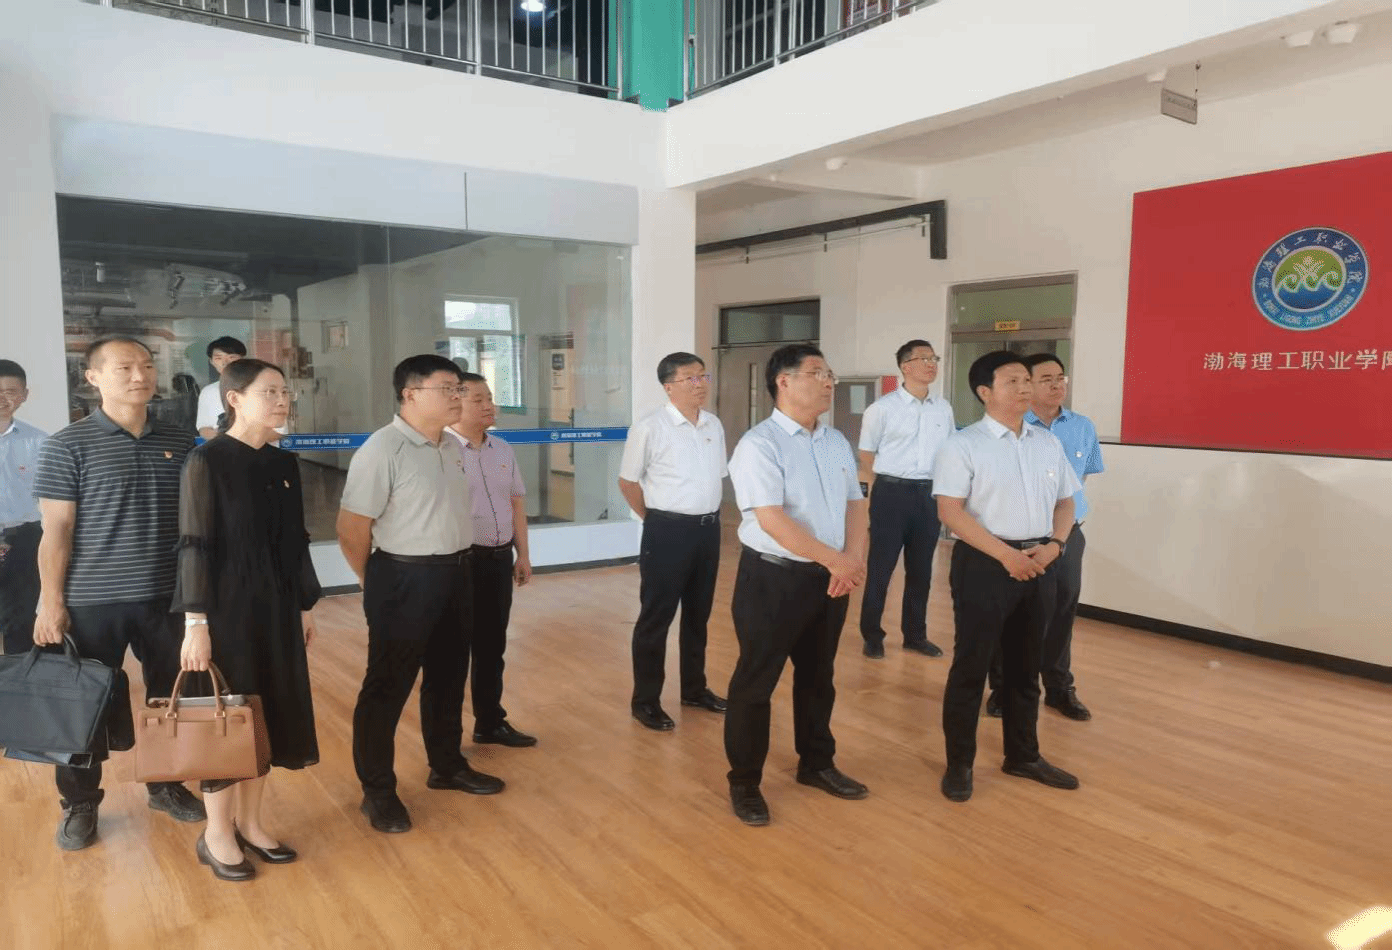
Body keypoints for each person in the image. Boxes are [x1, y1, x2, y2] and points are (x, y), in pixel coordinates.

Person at [32, 337, 207, 851]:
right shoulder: (67, 444)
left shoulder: (182, 441)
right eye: (125, 367)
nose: (139, 376)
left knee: (169, 697)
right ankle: (80, 803)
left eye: (147, 366)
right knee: (81, 705)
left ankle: (165, 784)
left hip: (169, 599)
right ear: (92, 377)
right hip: (92, 601)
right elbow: (56, 531)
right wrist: (51, 601)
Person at [337, 354, 502, 835]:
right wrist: (375, 581)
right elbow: (352, 528)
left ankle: (446, 766)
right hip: (403, 578)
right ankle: (378, 791)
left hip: (457, 573)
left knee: (448, 678)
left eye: (459, 389)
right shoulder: (382, 449)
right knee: (387, 688)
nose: (457, 397)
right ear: (410, 394)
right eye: (447, 389)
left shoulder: (448, 445)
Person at [172, 358, 321, 881]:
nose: (282, 401)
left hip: (276, 608)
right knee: (226, 720)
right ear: (234, 399)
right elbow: (194, 544)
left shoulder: (283, 463)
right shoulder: (206, 460)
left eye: (285, 392)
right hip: (225, 611)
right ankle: (216, 833)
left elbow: (295, 541)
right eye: (270, 392)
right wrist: (195, 624)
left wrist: (304, 606)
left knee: (267, 714)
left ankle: (252, 824)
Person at [723, 344, 870, 826]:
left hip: (829, 579)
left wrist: (852, 561)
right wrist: (839, 561)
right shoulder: (759, 444)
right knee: (755, 682)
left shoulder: (835, 441)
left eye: (830, 374)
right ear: (783, 382)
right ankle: (745, 782)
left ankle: (817, 764)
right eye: (816, 373)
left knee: (818, 677)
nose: (828, 382)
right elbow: (771, 519)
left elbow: (856, 505)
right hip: (774, 578)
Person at [932, 350, 1082, 804]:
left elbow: (1066, 501)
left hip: (1039, 561)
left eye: (1026, 381)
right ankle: (959, 764)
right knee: (972, 666)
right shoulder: (963, 444)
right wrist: (1004, 555)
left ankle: (1023, 755)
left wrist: (1055, 545)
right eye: (1013, 381)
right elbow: (950, 511)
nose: (1025, 388)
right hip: (985, 563)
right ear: (985, 392)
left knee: (1025, 666)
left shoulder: (1046, 442)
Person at [986, 354, 1104, 721]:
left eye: (1060, 378)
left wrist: (1059, 534)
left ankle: (1058, 688)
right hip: (1018, 539)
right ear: (1027, 385)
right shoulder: (1008, 429)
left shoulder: (1082, 426)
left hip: (1066, 537)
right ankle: (1003, 688)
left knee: (1062, 613)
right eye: (1046, 379)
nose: (1056, 385)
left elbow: (1080, 481)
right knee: (1010, 615)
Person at [618, 352, 728, 731]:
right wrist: (655, 520)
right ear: (669, 386)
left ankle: (694, 690)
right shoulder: (649, 427)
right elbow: (628, 482)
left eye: (703, 376)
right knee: (657, 617)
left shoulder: (713, 424)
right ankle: (646, 701)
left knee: (699, 615)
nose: (700, 384)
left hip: (708, 530)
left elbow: (716, 477)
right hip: (667, 531)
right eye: (690, 378)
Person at [446, 372, 536, 748]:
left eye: (490, 398)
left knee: (491, 645)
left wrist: (522, 554)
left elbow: (516, 502)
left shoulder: (502, 449)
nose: (489, 406)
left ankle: (489, 722)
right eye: (479, 400)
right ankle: (447, 740)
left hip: (499, 560)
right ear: (456, 402)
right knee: (454, 651)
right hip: (461, 562)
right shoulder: (442, 451)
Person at [857, 339, 956, 659]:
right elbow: (866, 454)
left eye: (934, 358)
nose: (931, 364)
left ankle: (915, 635)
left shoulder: (943, 408)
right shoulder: (882, 409)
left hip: (929, 494)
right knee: (881, 567)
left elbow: (950, 451)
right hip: (891, 493)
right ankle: (872, 634)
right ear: (905, 366)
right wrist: (882, 489)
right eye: (923, 359)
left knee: (921, 569)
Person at [0, 360, 47, 656]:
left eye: (10, 392)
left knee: (21, 620)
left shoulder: (39, 441)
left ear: (24, 395)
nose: (2, 399)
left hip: (23, 539)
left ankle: (19, 679)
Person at [197, 337, 247, 440]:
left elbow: (276, 430)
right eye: (218, 358)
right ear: (211, 361)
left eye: (232, 357)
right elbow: (203, 428)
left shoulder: (259, 387)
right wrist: (225, 441)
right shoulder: (208, 392)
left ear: (243, 360)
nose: (225, 363)